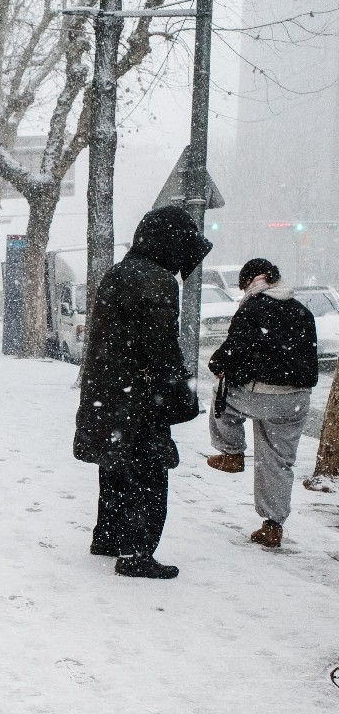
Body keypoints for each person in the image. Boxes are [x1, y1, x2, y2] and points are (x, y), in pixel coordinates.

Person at [74, 205, 212, 580]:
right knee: (149, 473)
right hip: (140, 398)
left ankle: (107, 537)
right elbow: (162, 348)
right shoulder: (156, 281)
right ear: (171, 243)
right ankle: (136, 553)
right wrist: (179, 396)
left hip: (110, 392)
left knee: (115, 466)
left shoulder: (119, 273)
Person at [206, 258, 317, 548]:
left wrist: (218, 364)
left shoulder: (253, 308)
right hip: (296, 399)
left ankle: (231, 453)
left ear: (252, 282)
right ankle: (273, 526)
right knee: (278, 461)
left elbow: (235, 350)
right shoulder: (302, 311)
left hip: (263, 394)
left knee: (221, 395)